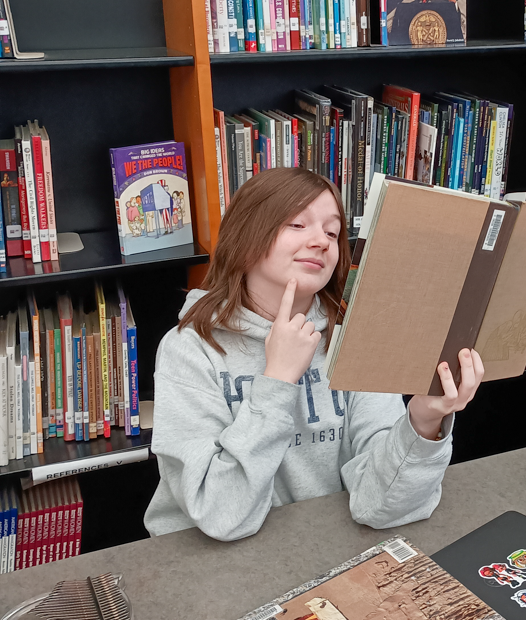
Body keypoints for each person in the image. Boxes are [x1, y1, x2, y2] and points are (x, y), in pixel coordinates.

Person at [144, 168, 485, 541]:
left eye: (332, 231)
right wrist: (277, 380)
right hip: (211, 566)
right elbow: (221, 516)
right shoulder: (189, 349)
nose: (320, 241)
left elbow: (382, 505)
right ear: (245, 238)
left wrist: (422, 422)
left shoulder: (355, 337)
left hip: (324, 547)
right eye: (297, 224)